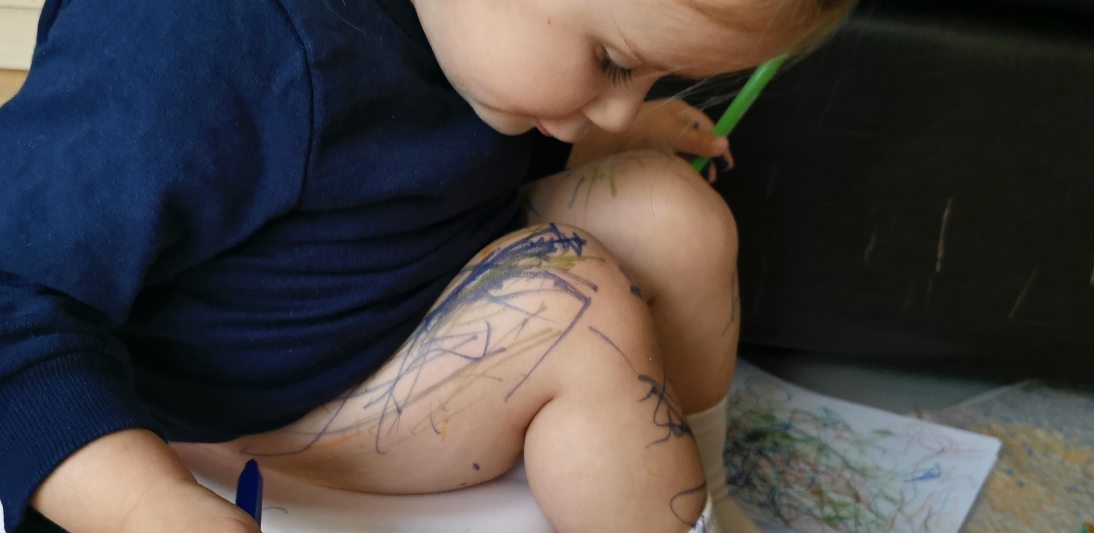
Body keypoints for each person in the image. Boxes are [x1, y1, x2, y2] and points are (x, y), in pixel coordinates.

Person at [0, 0, 853, 531]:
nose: (621, 101)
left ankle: (706, 498)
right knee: (577, 316)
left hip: (394, 279)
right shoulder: (196, 39)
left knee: (680, 219)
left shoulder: (475, 33)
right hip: (245, 409)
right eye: (615, 60)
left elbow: (408, 150)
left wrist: (620, 131)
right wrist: (143, 506)